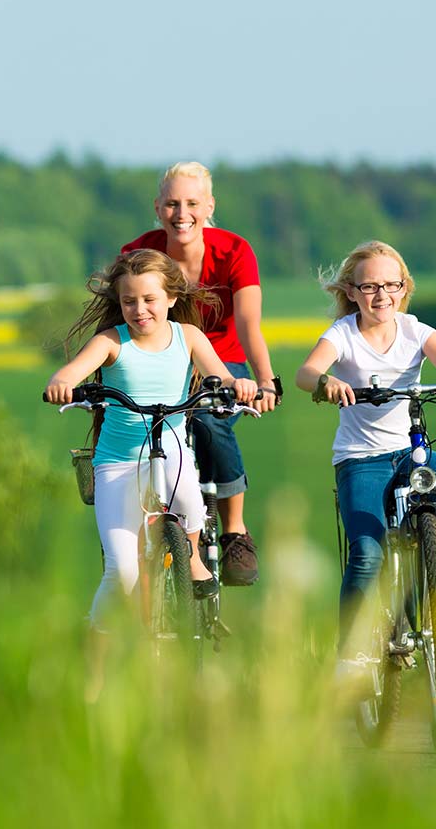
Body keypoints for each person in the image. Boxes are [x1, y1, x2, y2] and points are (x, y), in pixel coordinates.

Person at [292, 240, 436, 675]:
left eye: (391, 285)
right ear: (351, 291)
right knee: (367, 552)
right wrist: (325, 382)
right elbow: (305, 372)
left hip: (409, 452)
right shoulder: (342, 334)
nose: (381, 295)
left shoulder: (415, 331)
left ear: (404, 288)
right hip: (361, 460)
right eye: (369, 287)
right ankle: (349, 652)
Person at [43, 249, 260, 628]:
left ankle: (191, 558)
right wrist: (62, 385)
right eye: (129, 301)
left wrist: (237, 384)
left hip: (171, 448)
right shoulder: (111, 342)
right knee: (121, 574)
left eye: (149, 299)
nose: (139, 309)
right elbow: (70, 373)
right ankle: (96, 655)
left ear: (172, 298)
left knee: (191, 499)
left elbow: (220, 376)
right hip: (118, 462)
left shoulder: (188, 336)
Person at [120, 161, 279, 586]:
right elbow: (114, 318)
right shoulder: (139, 254)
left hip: (221, 364)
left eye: (191, 203)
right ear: (157, 207)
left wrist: (265, 381)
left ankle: (234, 531)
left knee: (210, 422)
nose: (181, 213)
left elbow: (248, 325)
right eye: (172, 203)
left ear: (209, 206)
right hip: (156, 360)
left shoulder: (234, 251)